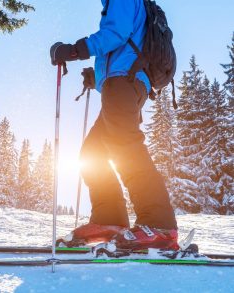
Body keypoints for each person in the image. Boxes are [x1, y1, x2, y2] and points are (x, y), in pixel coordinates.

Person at [50, 0, 178, 250]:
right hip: (121, 83)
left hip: (125, 83)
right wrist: (96, 78)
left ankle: (160, 224)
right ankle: (110, 220)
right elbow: (125, 46)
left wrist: (75, 50)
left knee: (125, 147)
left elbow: (115, 34)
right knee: (92, 153)